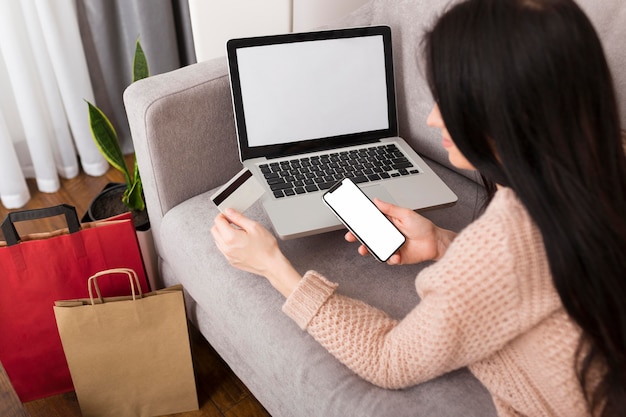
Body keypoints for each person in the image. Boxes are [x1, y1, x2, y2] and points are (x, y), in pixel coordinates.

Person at [211, 0, 626, 415]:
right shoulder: (606, 162)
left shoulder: (503, 245)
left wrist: (272, 267)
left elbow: (389, 360)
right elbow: (541, 277)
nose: (431, 119)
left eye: (450, 100)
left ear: (509, 113)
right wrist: (445, 242)